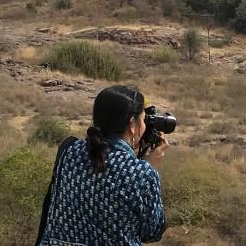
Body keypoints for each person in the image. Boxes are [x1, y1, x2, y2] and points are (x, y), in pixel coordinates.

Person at [37, 85, 168, 245]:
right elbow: (153, 232)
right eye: (143, 119)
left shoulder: (69, 151)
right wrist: (149, 168)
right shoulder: (141, 173)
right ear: (132, 125)